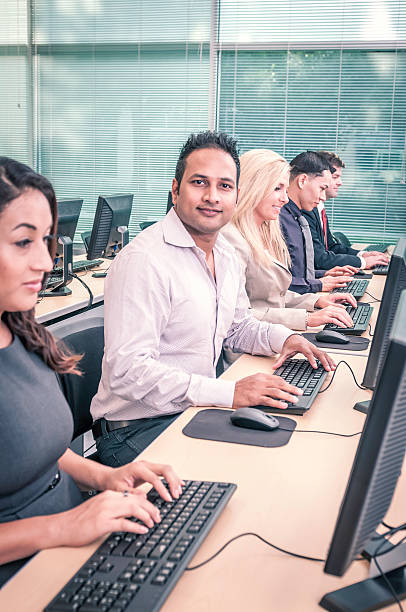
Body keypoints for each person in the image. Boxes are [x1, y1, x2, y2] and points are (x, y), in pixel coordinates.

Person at [90, 131, 335, 467]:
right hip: (136, 430)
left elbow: (238, 327)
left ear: (236, 195)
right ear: (176, 190)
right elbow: (127, 371)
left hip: (189, 412)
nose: (212, 197)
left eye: (224, 186)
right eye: (199, 182)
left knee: (292, 449)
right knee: (254, 472)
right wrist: (229, 393)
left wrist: (286, 338)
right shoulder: (144, 261)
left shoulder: (224, 252)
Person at [0, 157, 183, 587]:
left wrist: (106, 476)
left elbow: (35, 451)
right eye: (23, 242)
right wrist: (66, 526)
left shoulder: (19, 330)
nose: (46, 263)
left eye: (46, 241)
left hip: (72, 547)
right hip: (24, 576)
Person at [221, 149, 357, 331]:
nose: (285, 199)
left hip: (272, 334)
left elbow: (276, 296)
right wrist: (307, 318)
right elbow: (240, 315)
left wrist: (316, 300)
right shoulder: (231, 239)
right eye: (277, 188)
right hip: (245, 351)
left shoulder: (266, 231)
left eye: (285, 189)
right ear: (255, 187)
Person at [279, 150, 355, 295]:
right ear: (302, 181)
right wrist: (318, 284)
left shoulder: (296, 218)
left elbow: (295, 272)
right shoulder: (279, 220)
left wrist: (322, 274)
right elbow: (277, 284)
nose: (323, 197)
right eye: (321, 188)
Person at [303, 151, 389, 270]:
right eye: (335, 177)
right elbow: (319, 258)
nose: (340, 183)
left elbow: (331, 247)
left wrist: (362, 255)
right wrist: (362, 262)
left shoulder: (319, 207)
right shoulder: (306, 209)